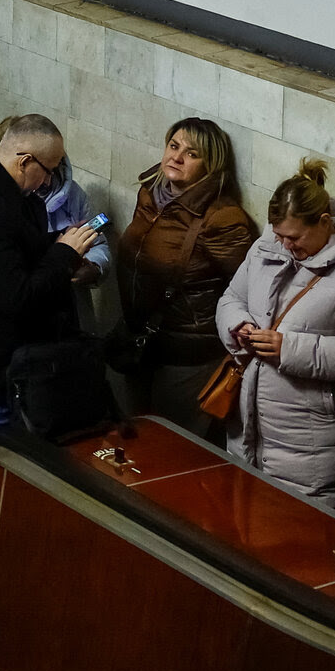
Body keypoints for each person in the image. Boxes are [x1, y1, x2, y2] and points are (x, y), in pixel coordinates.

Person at [216, 158, 335, 518]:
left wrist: (288, 348)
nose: (285, 246)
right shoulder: (268, 248)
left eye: (294, 238)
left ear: (325, 223)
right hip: (252, 430)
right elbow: (231, 299)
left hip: (317, 447)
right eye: (279, 235)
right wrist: (238, 327)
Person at [0, 116, 111, 395]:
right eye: (48, 170)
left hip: (14, 356)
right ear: (24, 162)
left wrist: (59, 241)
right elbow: (17, 296)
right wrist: (63, 253)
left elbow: (15, 246)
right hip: (10, 365)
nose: (47, 181)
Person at [114, 118, 256, 439]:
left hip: (187, 358)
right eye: (174, 146)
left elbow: (246, 287)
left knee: (171, 446)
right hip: (142, 344)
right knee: (134, 439)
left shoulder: (222, 218)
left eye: (192, 154)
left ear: (211, 165)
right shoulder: (150, 194)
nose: (176, 158)